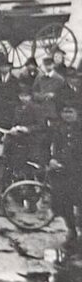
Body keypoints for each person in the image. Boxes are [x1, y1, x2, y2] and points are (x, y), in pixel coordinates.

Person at [49, 102, 82, 249]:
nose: (68, 115)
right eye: (65, 112)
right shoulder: (57, 129)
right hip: (62, 172)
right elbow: (49, 146)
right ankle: (71, 230)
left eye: (71, 112)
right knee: (64, 202)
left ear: (77, 113)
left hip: (78, 171)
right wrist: (52, 159)